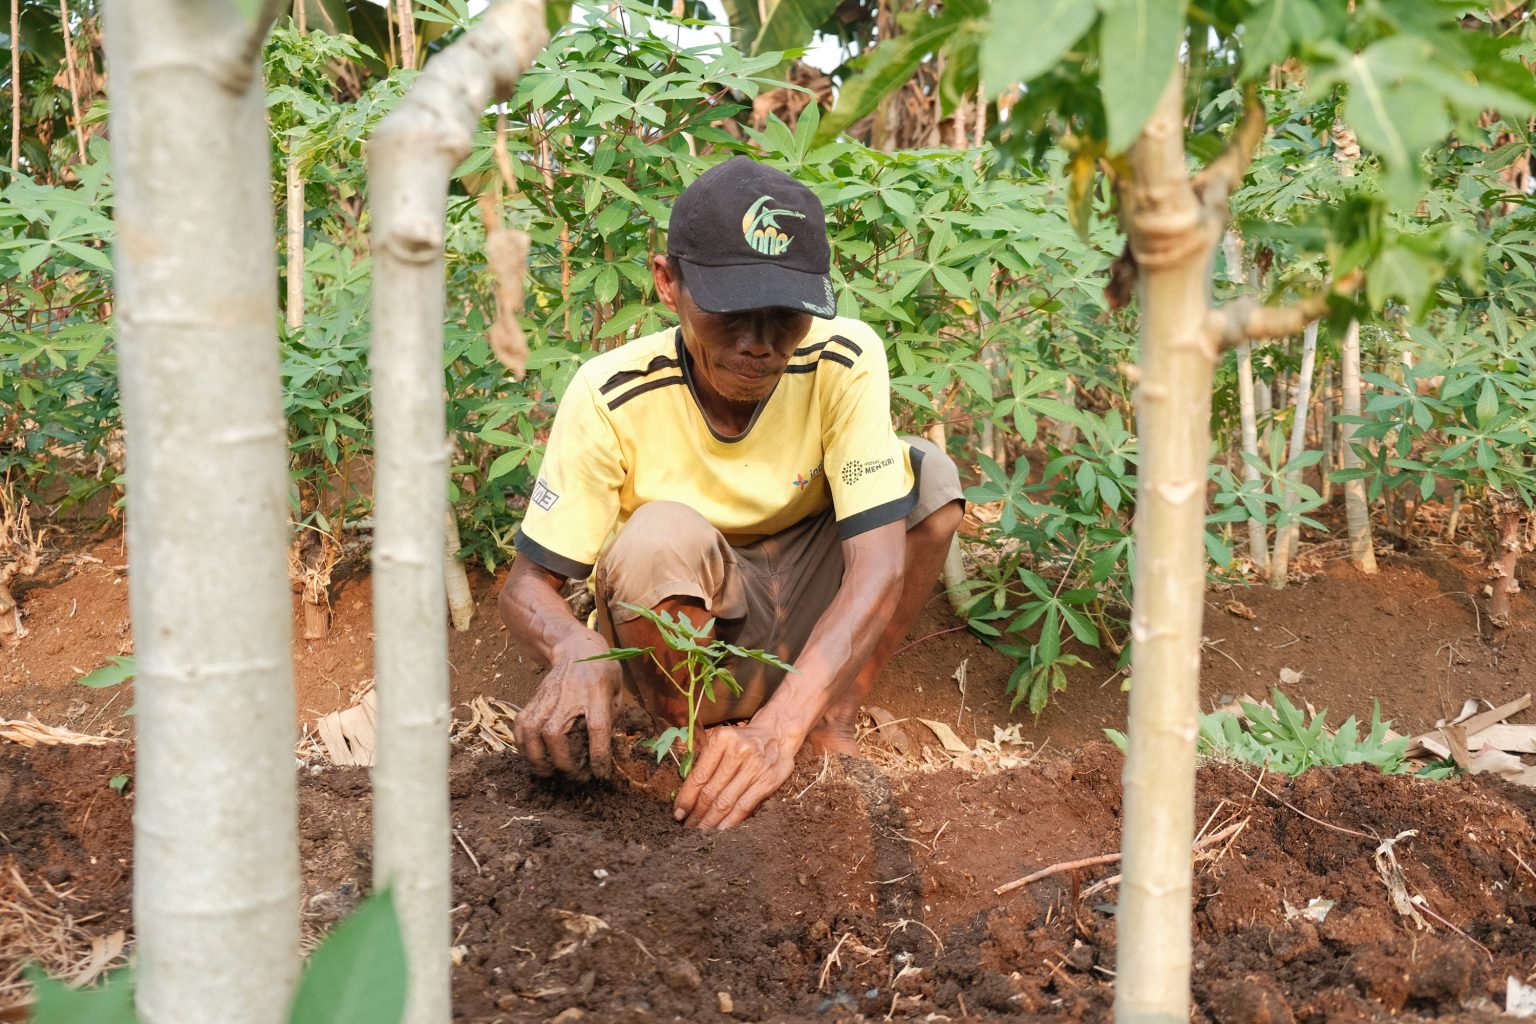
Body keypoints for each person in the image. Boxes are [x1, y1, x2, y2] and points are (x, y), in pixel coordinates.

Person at [499, 156, 963, 831]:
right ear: (667, 282)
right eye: (732, 314)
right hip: (691, 640)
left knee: (930, 480)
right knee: (657, 537)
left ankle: (829, 718)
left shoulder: (844, 358)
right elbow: (525, 587)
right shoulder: (611, 393)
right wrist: (575, 648)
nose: (760, 345)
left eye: (786, 317)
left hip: (808, 607)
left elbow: (878, 565)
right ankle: (678, 740)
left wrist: (782, 730)